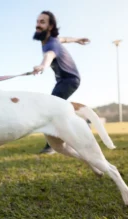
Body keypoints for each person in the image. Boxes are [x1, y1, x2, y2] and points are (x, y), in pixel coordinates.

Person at [32, 10, 90, 154]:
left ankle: (52, 145)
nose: (38, 25)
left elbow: (49, 55)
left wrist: (42, 66)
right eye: (38, 21)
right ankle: (83, 122)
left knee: (52, 108)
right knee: (58, 108)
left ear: (50, 26)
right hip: (64, 80)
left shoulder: (51, 44)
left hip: (69, 80)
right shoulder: (52, 40)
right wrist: (77, 39)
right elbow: (64, 39)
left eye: (42, 22)